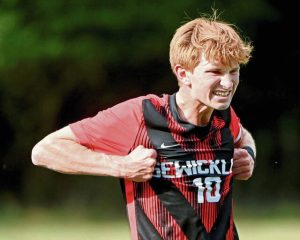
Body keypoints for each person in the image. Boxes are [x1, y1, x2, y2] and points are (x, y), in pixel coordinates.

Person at [32, 13, 256, 240]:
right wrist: (121, 166)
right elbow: (45, 150)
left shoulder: (224, 116)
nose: (228, 83)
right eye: (215, 72)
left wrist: (249, 154)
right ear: (183, 73)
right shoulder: (142, 115)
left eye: (234, 71)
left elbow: (243, 137)